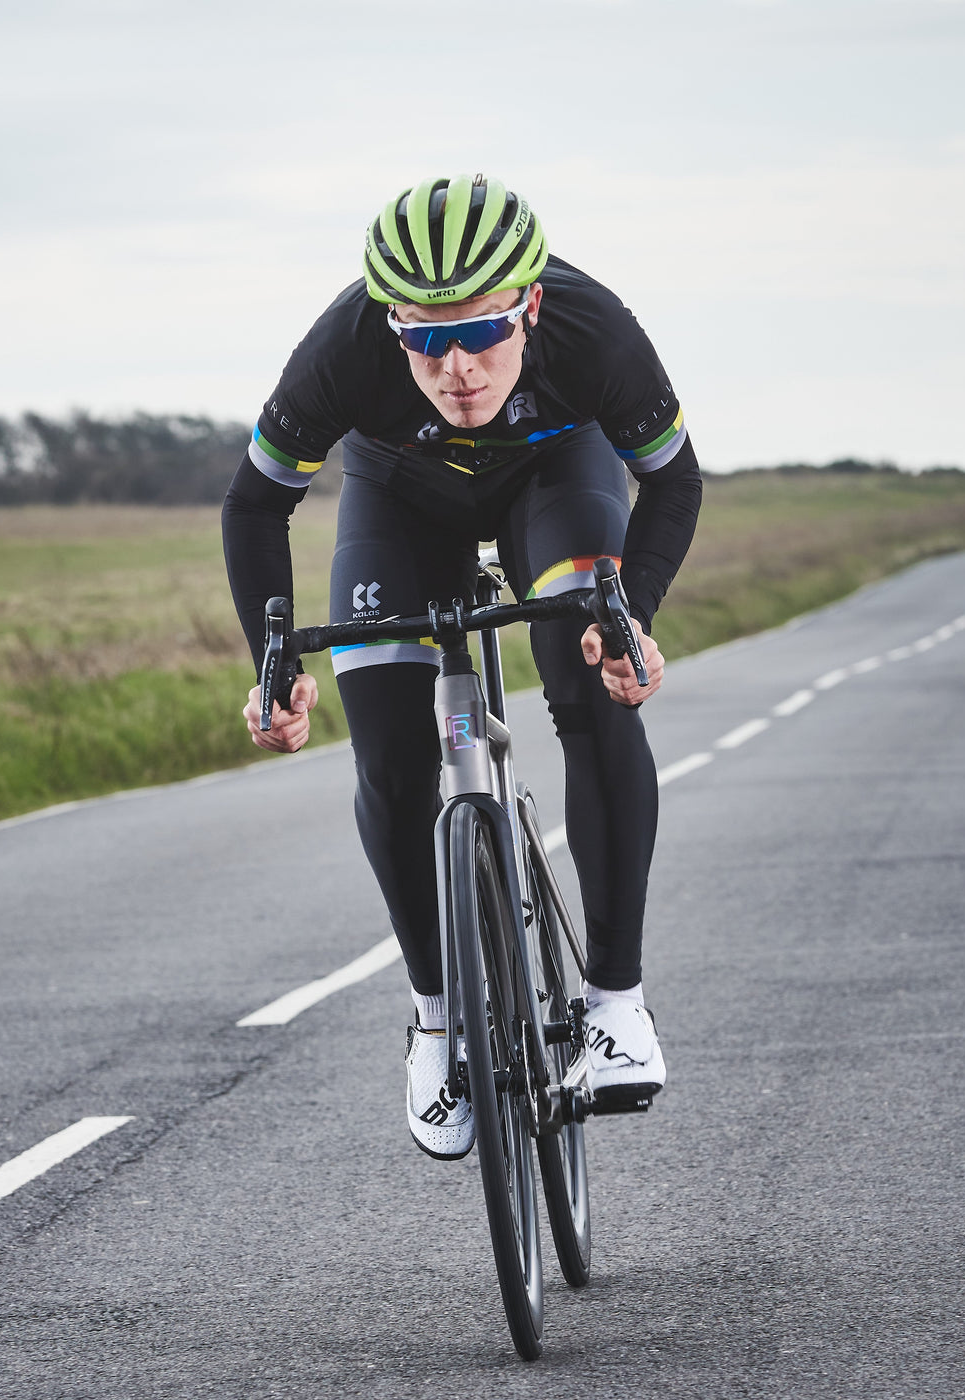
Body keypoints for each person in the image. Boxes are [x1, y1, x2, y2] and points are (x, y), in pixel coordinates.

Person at [222, 173, 701, 1159]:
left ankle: (615, 1003)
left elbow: (669, 476)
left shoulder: (595, 331)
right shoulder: (341, 352)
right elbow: (254, 502)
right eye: (425, 339)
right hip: (398, 504)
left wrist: (635, 617)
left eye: (480, 333)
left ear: (528, 305)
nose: (456, 368)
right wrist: (270, 669)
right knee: (391, 759)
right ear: (390, 325)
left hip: (553, 479)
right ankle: (438, 1020)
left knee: (592, 678)